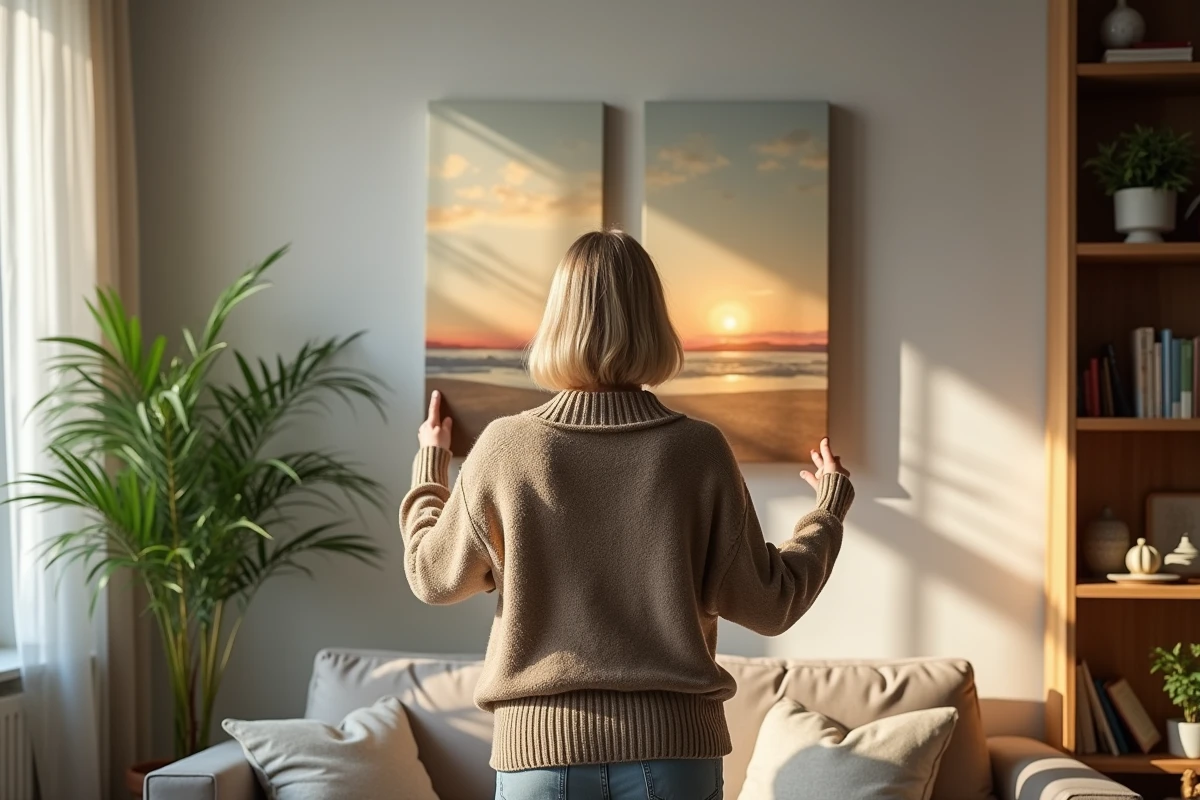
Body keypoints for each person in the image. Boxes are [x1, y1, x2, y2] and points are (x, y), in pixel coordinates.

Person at [400, 229, 852, 800]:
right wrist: (827, 511)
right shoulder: (699, 449)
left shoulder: (503, 447)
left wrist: (431, 465)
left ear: (557, 320)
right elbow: (769, 604)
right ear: (654, 321)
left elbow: (432, 577)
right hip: (676, 754)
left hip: (539, 754)